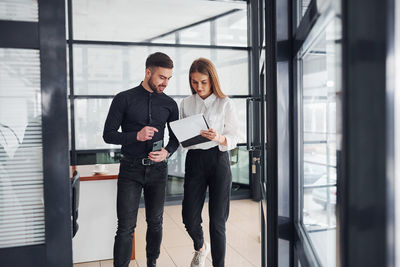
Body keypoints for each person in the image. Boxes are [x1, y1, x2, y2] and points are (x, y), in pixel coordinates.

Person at [103, 52, 179, 267]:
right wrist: (135, 136)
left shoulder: (170, 104)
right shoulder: (123, 98)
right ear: (148, 73)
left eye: (169, 79)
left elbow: (175, 138)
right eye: (162, 77)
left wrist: (167, 152)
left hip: (158, 170)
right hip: (130, 169)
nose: (165, 83)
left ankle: (151, 263)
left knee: (155, 223)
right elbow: (108, 134)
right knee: (126, 226)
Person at [180, 58, 239, 267]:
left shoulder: (225, 103)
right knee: (188, 216)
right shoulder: (186, 103)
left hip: (218, 159)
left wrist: (218, 137)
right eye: (195, 82)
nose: (199, 87)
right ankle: (200, 247)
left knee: (217, 222)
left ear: (212, 80)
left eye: (203, 82)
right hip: (195, 160)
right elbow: (183, 141)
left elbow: (234, 137)